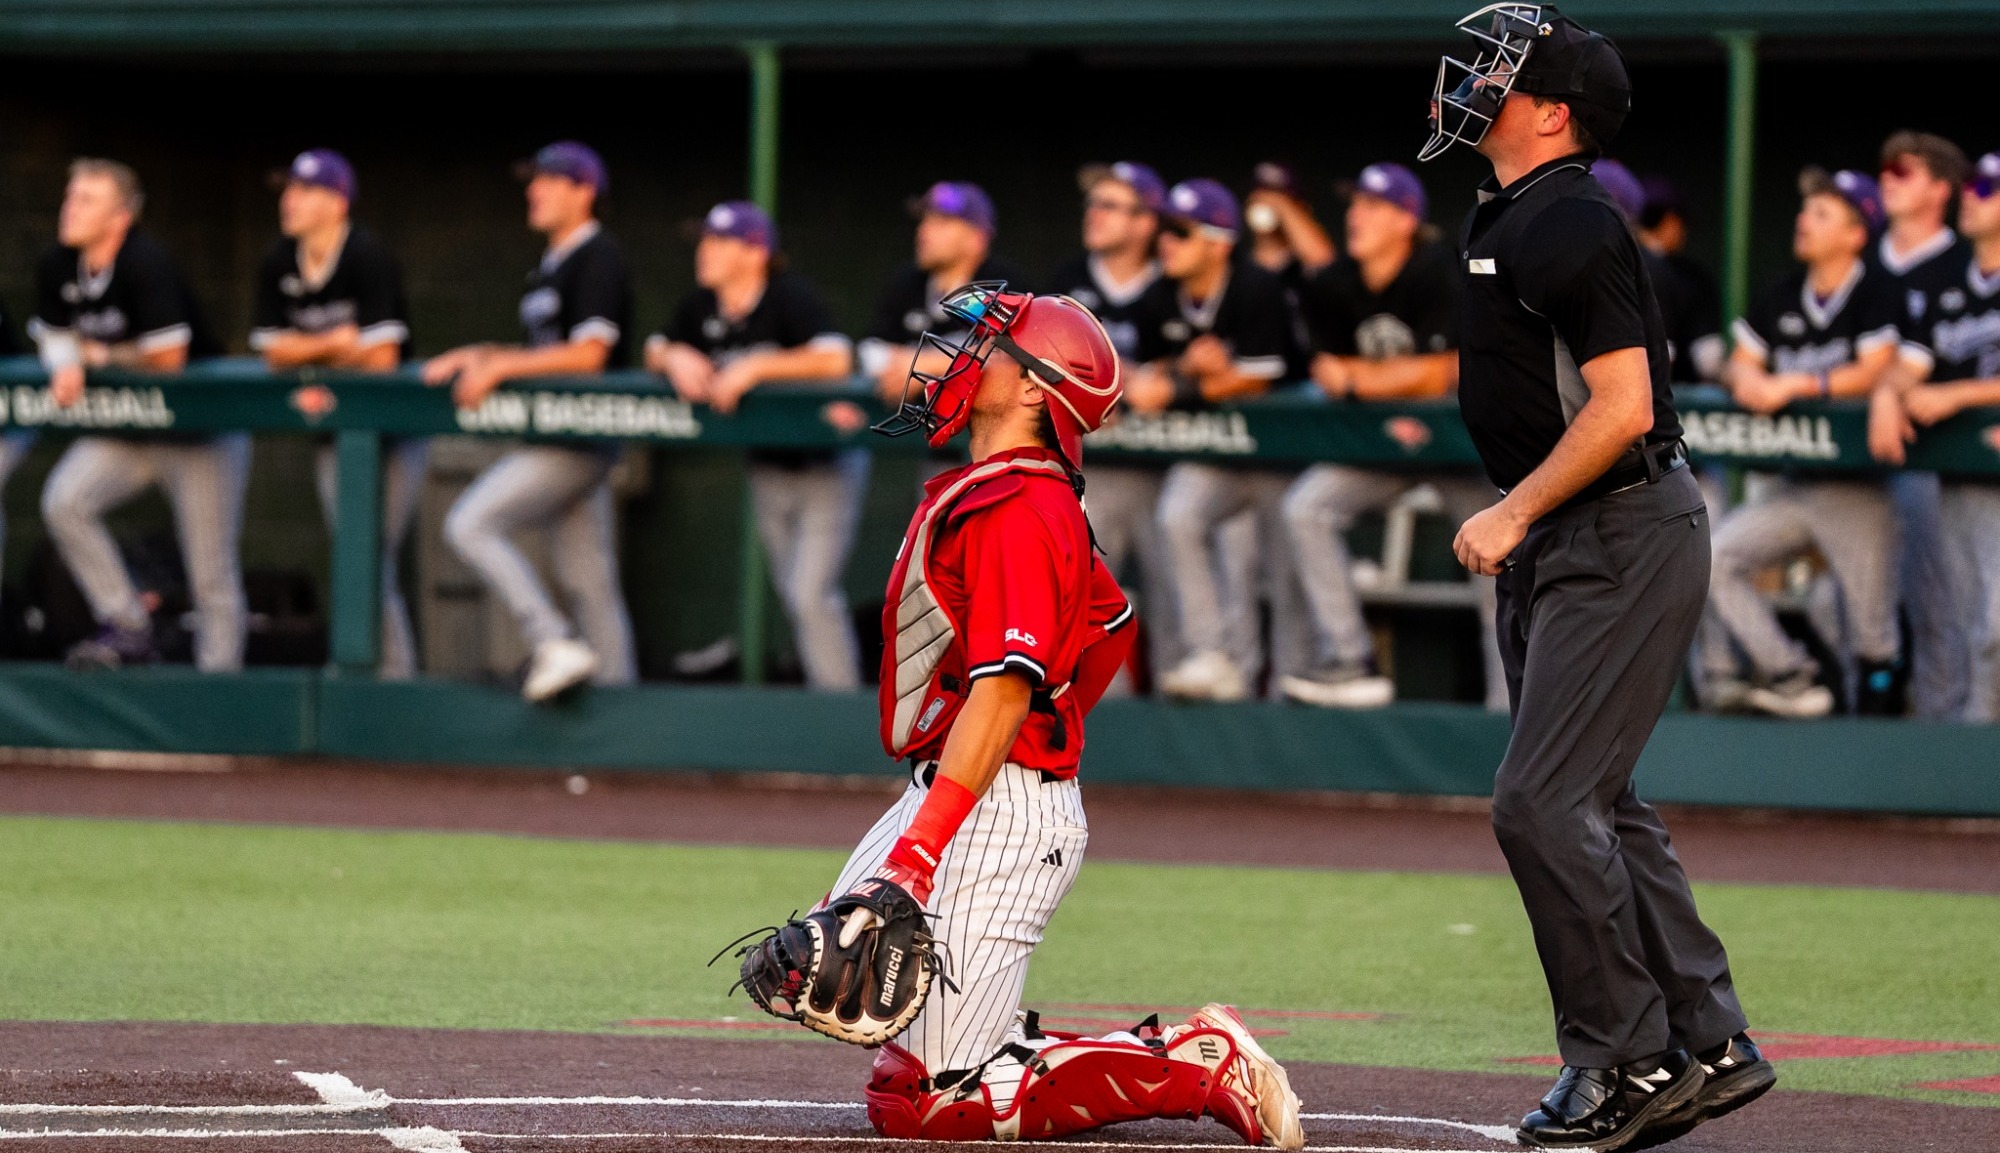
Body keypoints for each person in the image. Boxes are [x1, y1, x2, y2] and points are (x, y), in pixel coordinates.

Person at [840, 283, 1303, 1148]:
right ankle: (997, 1040)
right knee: (856, 993)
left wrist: (921, 848)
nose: (959, 356)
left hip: (999, 807)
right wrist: (1051, 719)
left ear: (1030, 388)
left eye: (989, 344)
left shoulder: (1020, 503)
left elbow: (1007, 687)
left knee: (940, 1104)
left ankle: (1198, 1062)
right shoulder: (1016, 488)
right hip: (974, 782)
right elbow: (1113, 620)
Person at [1423, 6, 1769, 1150]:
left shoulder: (1566, 217)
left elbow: (1620, 409)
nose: (1475, 79)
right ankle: (1707, 1039)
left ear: (1552, 110)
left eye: (1501, 71)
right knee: (1596, 801)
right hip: (1577, 538)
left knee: (1538, 802)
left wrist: (1514, 507)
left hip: (1613, 530)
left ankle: (1622, 1061)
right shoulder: (1521, 210)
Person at [1281, 162, 1503, 710]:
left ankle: (1514, 705)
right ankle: (1350, 658)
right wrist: (1376, 384)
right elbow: (1324, 368)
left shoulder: (1438, 267)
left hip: (1463, 446)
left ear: (1407, 220)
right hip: (1383, 445)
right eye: (1354, 204)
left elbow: (1443, 369)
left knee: (1497, 567)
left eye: (1372, 206)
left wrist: (1362, 379)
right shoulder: (1339, 281)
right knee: (1306, 507)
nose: (1355, 215)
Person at [424, 141, 637, 702]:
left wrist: (501, 364)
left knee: (470, 523)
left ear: (584, 191)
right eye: (533, 179)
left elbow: (589, 353)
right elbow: (540, 349)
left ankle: (549, 639)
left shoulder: (598, 255)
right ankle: (624, 703)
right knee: (589, 582)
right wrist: (481, 352)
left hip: (579, 436)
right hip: (557, 434)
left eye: (549, 180)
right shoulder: (549, 265)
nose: (533, 190)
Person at [1702, 169, 1902, 718]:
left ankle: (1886, 770)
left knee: (1871, 639)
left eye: (1822, 213)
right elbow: (1737, 360)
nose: (1803, 220)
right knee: (1713, 559)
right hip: (1796, 483)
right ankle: (1789, 672)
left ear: (1856, 232)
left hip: (1859, 488)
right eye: (1806, 210)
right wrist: (1747, 380)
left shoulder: (1877, 289)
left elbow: (1878, 370)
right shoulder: (1785, 292)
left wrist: (1796, 383)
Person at [31, 158, 241, 672]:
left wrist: (103, 357)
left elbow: (169, 357)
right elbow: (53, 331)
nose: (70, 208)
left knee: (209, 571)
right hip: (130, 428)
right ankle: (127, 625)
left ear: (119, 217)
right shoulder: (59, 264)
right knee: (65, 501)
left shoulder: (146, 262)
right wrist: (64, 361)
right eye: (70, 196)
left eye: (87, 200)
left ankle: (221, 688)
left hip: (199, 431)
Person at [646, 201, 862, 690]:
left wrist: (756, 366)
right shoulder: (700, 306)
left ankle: (844, 713)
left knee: (810, 594)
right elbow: (655, 345)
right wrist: (674, 356)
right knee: (795, 594)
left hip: (825, 460)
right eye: (705, 240)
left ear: (756, 252)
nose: (705, 251)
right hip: (766, 464)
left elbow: (834, 359)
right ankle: (832, 698)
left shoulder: (789, 296)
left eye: (719, 241)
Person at [250, 148, 423, 680]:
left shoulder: (368, 256)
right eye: (288, 190)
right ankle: (379, 676)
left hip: (393, 434)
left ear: (338, 201)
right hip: (333, 434)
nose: (290, 201)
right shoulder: (279, 261)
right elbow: (271, 352)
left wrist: (309, 347)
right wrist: (337, 342)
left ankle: (392, 681)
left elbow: (383, 356)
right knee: (357, 558)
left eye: (304, 191)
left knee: (367, 559)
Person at [1125, 179, 1301, 701]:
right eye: (1165, 231)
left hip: (1283, 453)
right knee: (1178, 517)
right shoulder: (1158, 296)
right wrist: (1183, 370)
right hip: (1218, 451)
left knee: (1283, 572)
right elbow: (1147, 375)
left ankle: (1295, 686)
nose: (1167, 243)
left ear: (1219, 242)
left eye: (1181, 232)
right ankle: (1210, 654)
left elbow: (1257, 376)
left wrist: (1184, 383)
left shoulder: (1256, 287)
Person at [1044, 161, 1181, 687]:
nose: (1094, 214)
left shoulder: (1173, 278)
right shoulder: (1068, 282)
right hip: (1091, 466)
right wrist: (1119, 382)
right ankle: (1100, 714)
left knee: (1176, 595)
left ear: (1146, 222)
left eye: (1110, 205)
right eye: (1092, 204)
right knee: (1088, 598)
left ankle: (1186, 719)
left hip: (1173, 462)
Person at [1884, 150, 2000, 722]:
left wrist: (1958, 396)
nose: (1973, 196)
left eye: (1989, 188)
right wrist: (1889, 394)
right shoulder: (1950, 277)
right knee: (1952, 617)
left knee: (1995, 624)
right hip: (1958, 476)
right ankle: (1957, 754)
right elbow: (1911, 363)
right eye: (1974, 185)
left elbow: (1944, 386)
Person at [1867, 131, 1972, 720]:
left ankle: (1943, 727)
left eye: (1902, 173)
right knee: (1851, 607)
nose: (1887, 180)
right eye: (1884, 171)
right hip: (1854, 462)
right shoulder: (1863, 256)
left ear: (1940, 188)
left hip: (1933, 460)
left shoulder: (1962, 261)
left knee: (1939, 602)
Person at [860, 182, 1028, 413]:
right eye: (925, 220)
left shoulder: (1006, 284)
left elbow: (1020, 355)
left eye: (941, 222)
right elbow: (870, 350)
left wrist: (930, 365)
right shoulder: (905, 282)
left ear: (976, 238)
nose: (924, 231)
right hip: (916, 434)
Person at [1636, 174, 1725, 384]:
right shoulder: (1691, 278)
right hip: (1676, 402)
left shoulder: (1612, 264)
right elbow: (1709, 361)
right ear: (1671, 221)